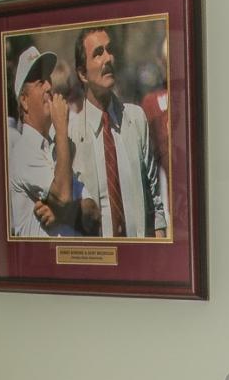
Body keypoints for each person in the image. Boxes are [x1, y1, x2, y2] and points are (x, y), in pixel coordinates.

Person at [61, 25, 170, 239]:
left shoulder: (136, 119)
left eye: (109, 50)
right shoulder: (70, 136)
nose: (108, 58)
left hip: (140, 259)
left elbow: (155, 203)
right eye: (98, 53)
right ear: (82, 73)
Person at [5, 45, 84, 238]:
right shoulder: (24, 151)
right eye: (41, 83)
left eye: (48, 80)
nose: (49, 87)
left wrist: (64, 213)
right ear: (24, 101)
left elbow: (92, 209)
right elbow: (64, 196)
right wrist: (62, 129)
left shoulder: (54, 147)